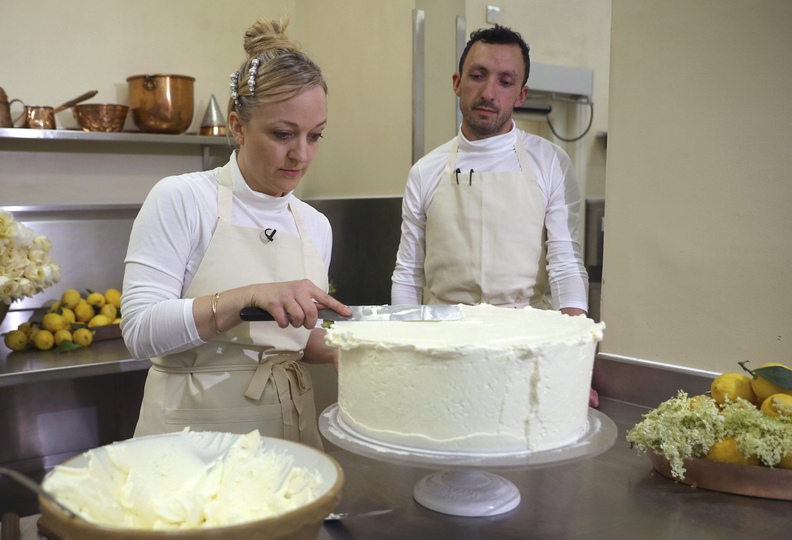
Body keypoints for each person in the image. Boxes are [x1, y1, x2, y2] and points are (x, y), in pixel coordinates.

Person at [120, 18, 349, 449]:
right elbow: (139, 329)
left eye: (315, 136)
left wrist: (345, 347)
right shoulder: (182, 199)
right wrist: (244, 298)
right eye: (283, 134)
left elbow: (290, 338)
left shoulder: (315, 225)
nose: (301, 154)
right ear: (238, 127)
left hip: (289, 435)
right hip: (190, 436)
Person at [391, 25, 597, 406]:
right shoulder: (425, 171)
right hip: (442, 350)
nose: (488, 93)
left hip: (526, 349)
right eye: (478, 76)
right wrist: (406, 351)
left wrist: (574, 363)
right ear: (457, 82)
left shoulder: (550, 163)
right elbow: (408, 273)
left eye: (505, 81)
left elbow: (566, 266)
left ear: (521, 95)